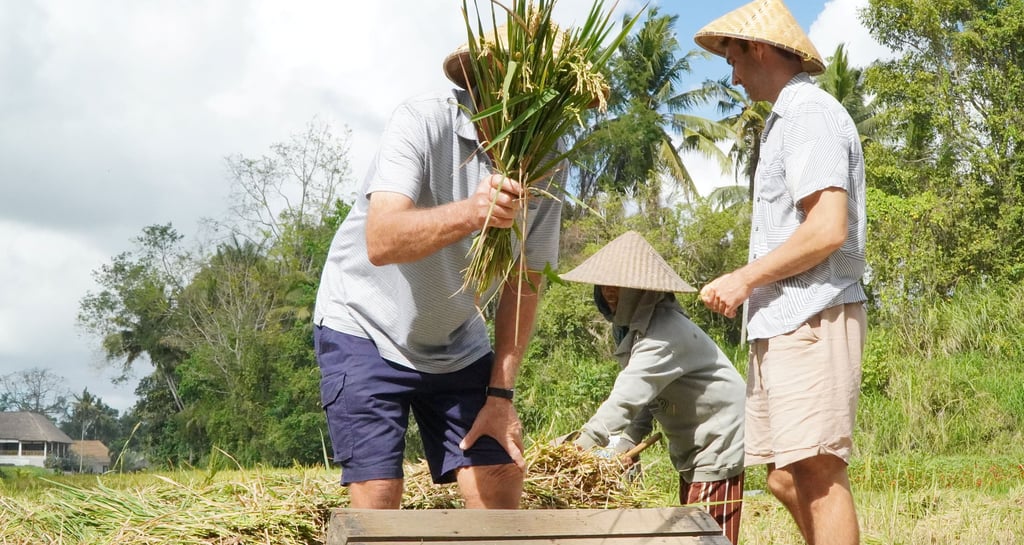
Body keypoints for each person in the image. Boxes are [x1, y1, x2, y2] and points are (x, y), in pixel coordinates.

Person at [311, 26, 565, 509]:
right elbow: (382, 240)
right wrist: (473, 212)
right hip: (365, 325)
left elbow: (524, 281)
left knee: (499, 480)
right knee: (379, 496)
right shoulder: (423, 121)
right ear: (483, 77)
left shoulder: (548, 161)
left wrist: (501, 395)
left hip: (456, 339)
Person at [693, 1, 868, 544]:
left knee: (816, 471)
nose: (733, 77)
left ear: (759, 49)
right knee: (784, 477)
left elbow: (828, 228)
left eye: (733, 60)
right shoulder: (784, 122)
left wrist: (744, 278)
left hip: (812, 313)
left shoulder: (809, 114)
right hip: (781, 321)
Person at [559, 231, 746, 545]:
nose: (608, 292)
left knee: (707, 537)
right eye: (603, 284)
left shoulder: (663, 334)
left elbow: (628, 395)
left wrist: (580, 446)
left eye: (618, 285)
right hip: (694, 444)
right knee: (692, 529)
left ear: (641, 290)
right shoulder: (635, 331)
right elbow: (648, 398)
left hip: (719, 440)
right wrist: (625, 443)